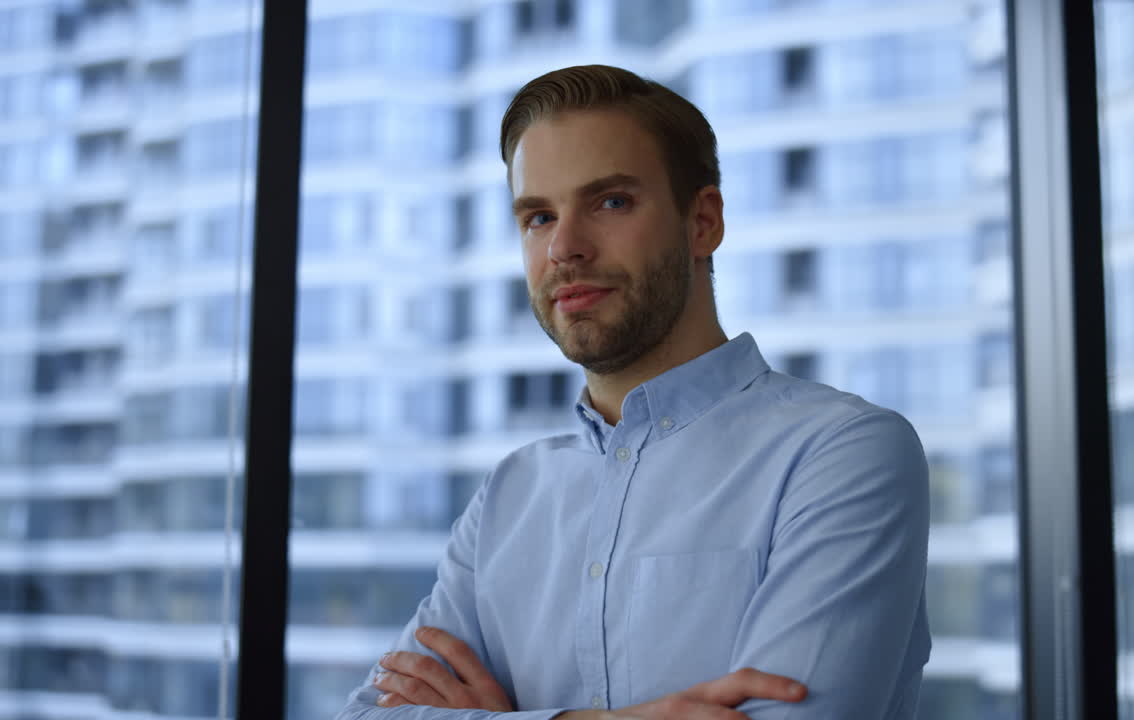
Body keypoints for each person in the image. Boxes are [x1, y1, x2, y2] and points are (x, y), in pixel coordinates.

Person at [334, 64, 930, 720]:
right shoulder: (509, 498)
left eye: (610, 202)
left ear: (702, 222)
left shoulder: (842, 454)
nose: (563, 248)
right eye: (537, 216)